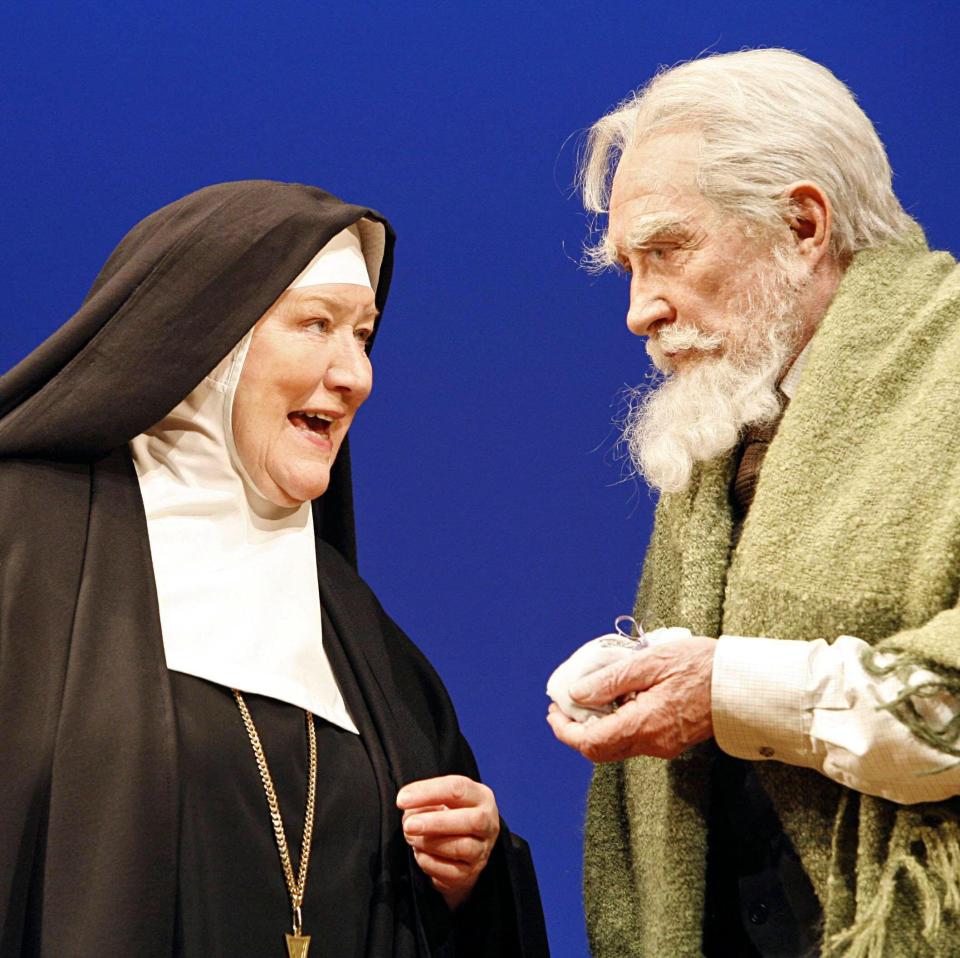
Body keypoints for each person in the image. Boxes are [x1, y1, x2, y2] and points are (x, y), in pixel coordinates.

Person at [0, 179, 548, 957]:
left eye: (363, 335)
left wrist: (469, 877)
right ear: (200, 338)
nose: (356, 373)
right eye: (316, 324)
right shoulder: (22, 542)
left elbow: (443, 909)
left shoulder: (355, 630)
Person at [546, 49, 960, 957]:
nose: (639, 310)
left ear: (804, 223)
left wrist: (724, 689)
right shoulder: (729, 424)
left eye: (666, 250)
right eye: (626, 268)